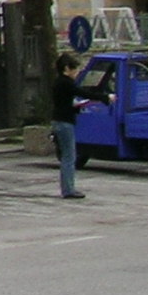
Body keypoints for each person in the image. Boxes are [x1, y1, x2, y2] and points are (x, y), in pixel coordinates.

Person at [51, 51, 87, 200]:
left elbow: (63, 103)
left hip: (60, 120)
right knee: (69, 156)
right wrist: (104, 98)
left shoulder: (58, 83)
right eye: (75, 69)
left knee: (68, 155)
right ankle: (68, 189)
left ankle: (68, 188)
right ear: (67, 68)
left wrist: (75, 107)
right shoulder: (65, 83)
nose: (77, 73)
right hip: (64, 122)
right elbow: (82, 92)